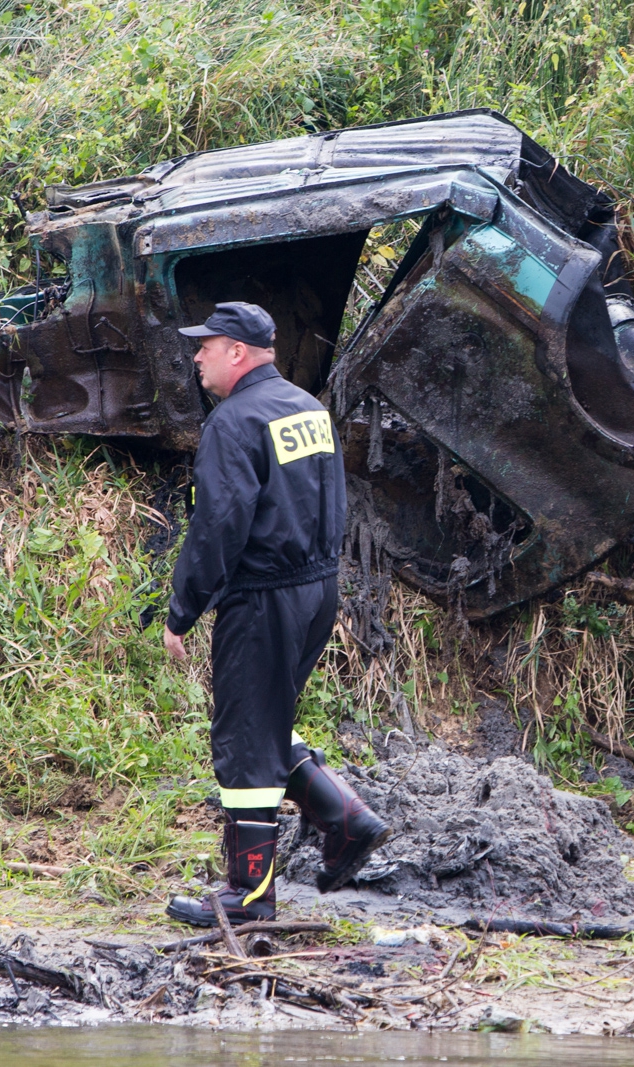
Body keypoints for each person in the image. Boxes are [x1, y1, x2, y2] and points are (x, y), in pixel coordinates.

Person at [160, 301, 390, 927]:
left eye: (206, 345)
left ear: (238, 352)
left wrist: (184, 609)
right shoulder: (307, 409)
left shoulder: (233, 421)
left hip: (264, 596)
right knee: (264, 720)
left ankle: (249, 894)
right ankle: (346, 819)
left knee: (243, 740)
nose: (197, 355)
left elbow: (219, 524)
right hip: (317, 588)